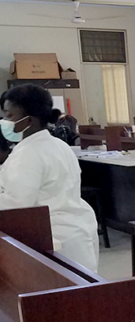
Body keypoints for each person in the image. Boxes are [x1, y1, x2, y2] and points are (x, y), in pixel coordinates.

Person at [0, 84, 99, 271]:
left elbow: (17, 203)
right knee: (82, 292)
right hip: (77, 231)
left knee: (63, 296)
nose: (5, 120)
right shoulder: (57, 145)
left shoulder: (28, 152)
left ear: (30, 118)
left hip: (53, 237)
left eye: (9, 115)